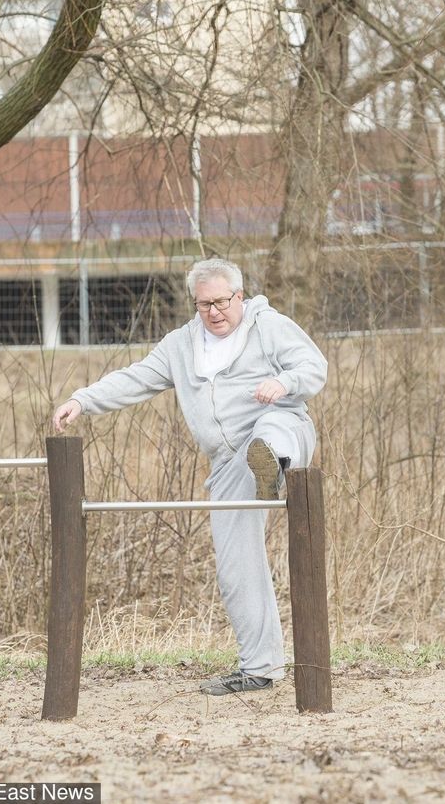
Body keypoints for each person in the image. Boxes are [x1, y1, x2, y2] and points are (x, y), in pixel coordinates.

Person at [52, 258, 327, 696]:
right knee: (237, 565)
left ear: (240, 296)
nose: (215, 312)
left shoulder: (268, 326)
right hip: (229, 463)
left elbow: (313, 366)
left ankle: (273, 464)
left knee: (272, 427)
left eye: (222, 302)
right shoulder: (181, 346)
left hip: (284, 426)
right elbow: (136, 378)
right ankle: (260, 668)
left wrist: (285, 383)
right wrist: (82, 401)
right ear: (195, 305)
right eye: (204, 305)